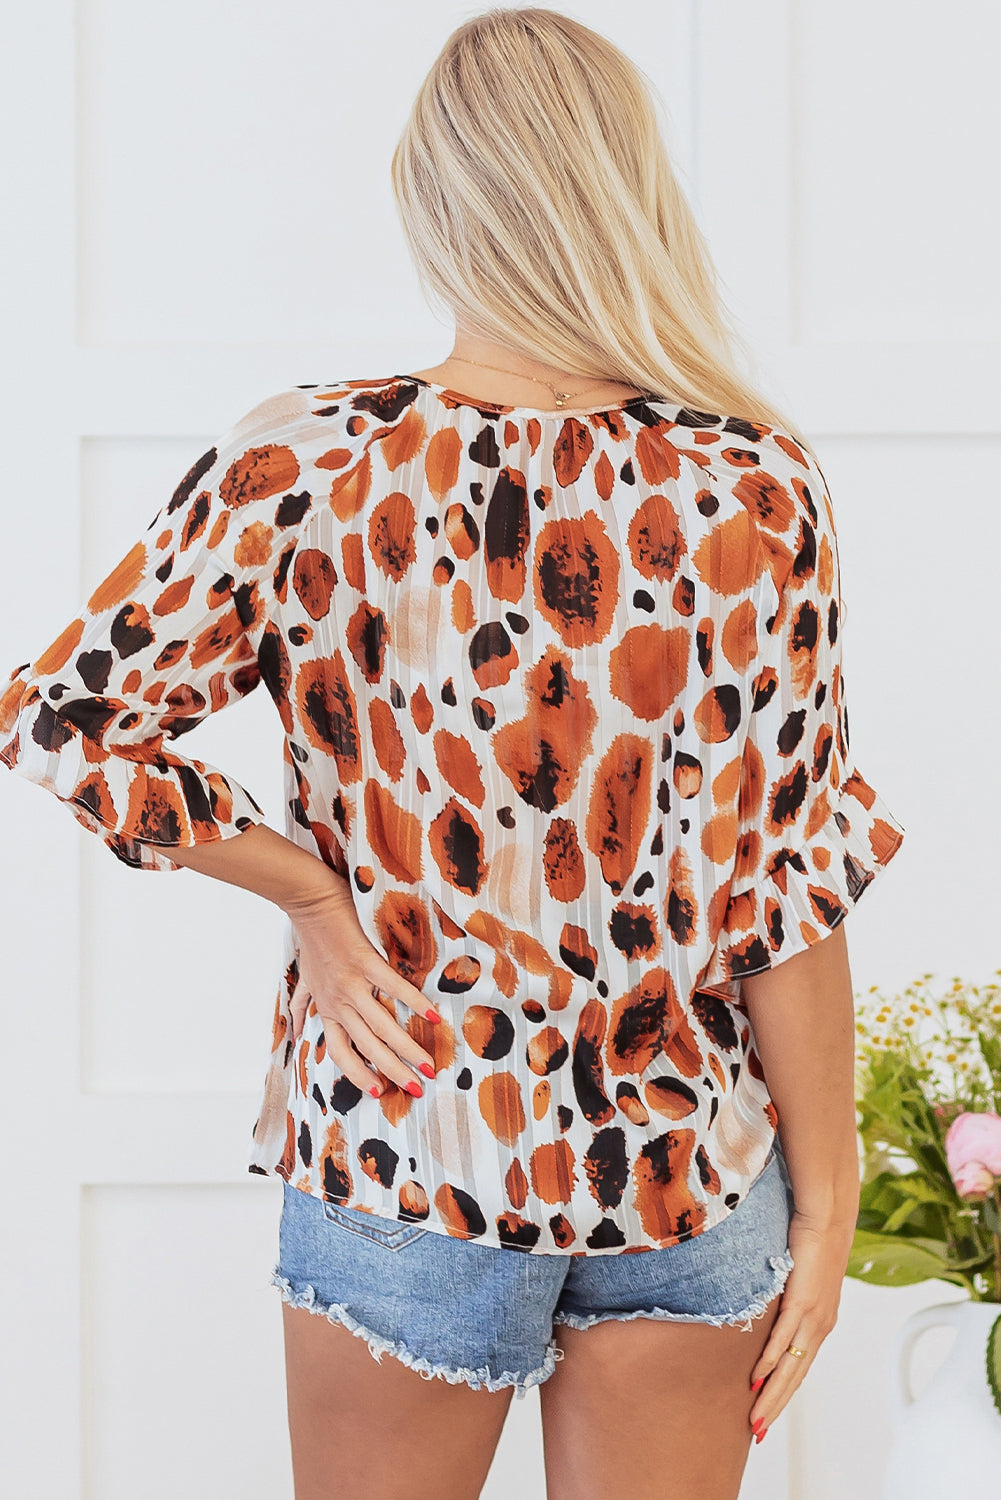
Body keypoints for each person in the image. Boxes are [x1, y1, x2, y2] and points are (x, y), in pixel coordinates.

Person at [0, 8, 905, 1499]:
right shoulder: (753, 481)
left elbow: (65, 720)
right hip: (686, 1159)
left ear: (434, 198)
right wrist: (828, 1195)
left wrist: (312, 894)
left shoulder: (313, 459)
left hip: (405, 1141)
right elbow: (786, 882)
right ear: (629, 189)